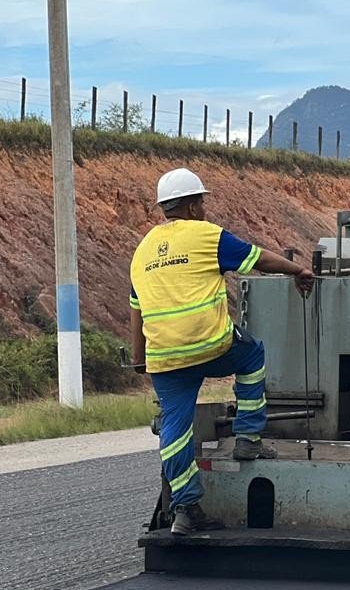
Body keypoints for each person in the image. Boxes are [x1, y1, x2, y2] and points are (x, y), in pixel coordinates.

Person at [130, 167, 314, 535]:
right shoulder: (207, 236)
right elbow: (259, 258)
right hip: (210, 344)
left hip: (164, 356)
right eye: (202, 202)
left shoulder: (142, 250)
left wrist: (140, 360)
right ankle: (248, 439)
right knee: (252, 355)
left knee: (176, 428)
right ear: (194, 206)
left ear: (164, 207)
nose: (204, 208)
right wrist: (298, 270)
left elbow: (136, 310)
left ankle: (185, 509)